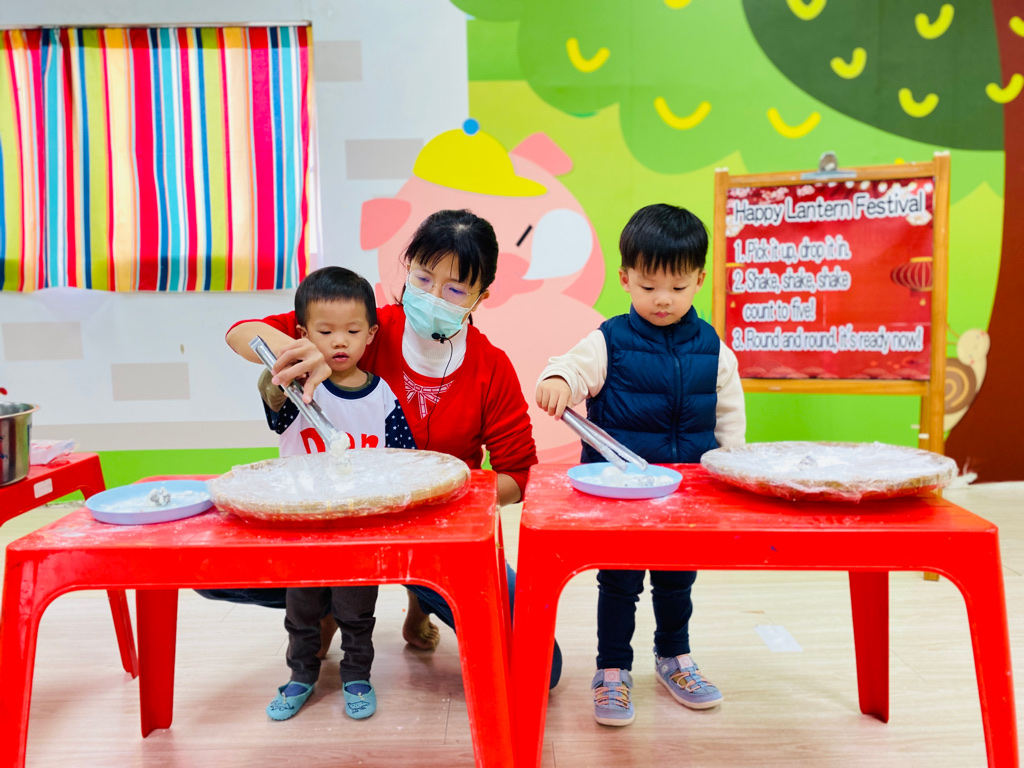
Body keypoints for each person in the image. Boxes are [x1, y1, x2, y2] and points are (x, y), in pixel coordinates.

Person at [208, 209, 562, 688]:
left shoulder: (491, 368)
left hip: (434, 534)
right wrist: (295, 352)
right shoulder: (360, 329)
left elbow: (518, 476)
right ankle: (330, 603)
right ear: (408, 268)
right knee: (213, 572)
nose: (433, 296)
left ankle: (419, 600)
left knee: (541, 667)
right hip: (335, 523)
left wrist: (439, 495)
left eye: (455, 289)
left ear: (482, 295)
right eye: (423, 277)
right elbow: (241, 331)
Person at [535, 203, 745, 726]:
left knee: (677, 583)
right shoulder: (608, 340)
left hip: (684, 497)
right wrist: (558, 381)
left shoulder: (714, 349)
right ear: (626, 278)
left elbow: (729, 421)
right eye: (649, 286)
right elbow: (568, 368)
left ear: (699, 280)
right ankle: (612, 669)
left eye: (677, 286)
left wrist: (732, 475)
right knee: (619, 584)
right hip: (620, 495)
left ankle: (675, 657)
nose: (663, 298)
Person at [261, 266, 415, 722]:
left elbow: (404, 459)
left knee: (357, 614)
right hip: (304, 529)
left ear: (371, 334)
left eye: (352, 331)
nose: (339, 342)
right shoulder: (295, 391)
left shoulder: (382, 396)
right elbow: (272, 399)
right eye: (325, 332)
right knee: (301, 614)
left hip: (358, 532)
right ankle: (300, 676)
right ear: (303, 335)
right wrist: (276, 376)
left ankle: (357, 677)